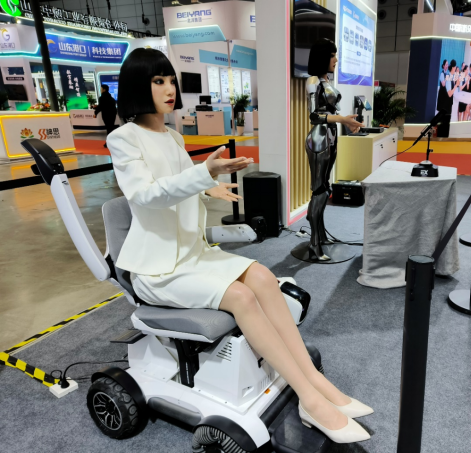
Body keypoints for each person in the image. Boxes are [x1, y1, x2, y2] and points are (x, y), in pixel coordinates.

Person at [107, 48, 372, 444]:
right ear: (136, 87)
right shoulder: (123, 139)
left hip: (192, 256)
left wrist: (207, 188)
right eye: (158, 81)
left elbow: (180, 188)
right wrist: (203, 175)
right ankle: (308, 396)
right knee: (241, 297)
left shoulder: (173, 136)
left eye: (170, 80)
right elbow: (146, 195)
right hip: (157, 269)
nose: (169, 88)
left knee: (262, 276)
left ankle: (313, 379)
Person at [305, 39, 363, 260]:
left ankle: (320, 236)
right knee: (319, 191)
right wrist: (343, 119)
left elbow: (330, 112)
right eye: (332, 55)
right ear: (322, 57)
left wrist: (346, 123)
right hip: (319, 139)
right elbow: (314, 116)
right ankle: (314, 244)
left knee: (324, 188)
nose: (336, 60)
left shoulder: (325, 80)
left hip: (329, 137)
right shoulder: (313, 81)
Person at [436, 59, 458, 137]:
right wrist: (456, 85)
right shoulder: (445, 75)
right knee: (444, 121)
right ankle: (441, 137)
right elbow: (449, 93)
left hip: (447, 103)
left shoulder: (450, 76)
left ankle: (443, 137)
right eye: (455, 67)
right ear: (453, 68)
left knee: (445, 122)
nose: (455, 69)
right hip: (445, 103)